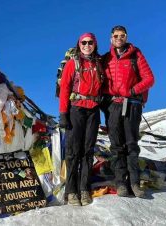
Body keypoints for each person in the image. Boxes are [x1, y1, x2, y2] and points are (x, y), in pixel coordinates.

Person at [102, 25, 155, 198]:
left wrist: (132, 91)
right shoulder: (106, 58)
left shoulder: (136, 54)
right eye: (116, 35)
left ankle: (134, 182)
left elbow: (149, 79)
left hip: (132, 104)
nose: (119, 38)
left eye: (122, 35)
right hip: (113, 105)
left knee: (131, 144)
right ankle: (121, 183)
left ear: (126, 37)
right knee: (116, 145)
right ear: (111, 38)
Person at [59, 33, 103, 206]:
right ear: (79, 44)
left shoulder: (98, 64)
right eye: (83, 42)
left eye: (90, 42)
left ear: (95, 44)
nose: (87, 45)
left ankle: (84, 189)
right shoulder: (73, 63)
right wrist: (63, 113)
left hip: (93, 110)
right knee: (73, 151)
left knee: (88, 151)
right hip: (76, 109)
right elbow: (64, 88)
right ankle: (71, 191)